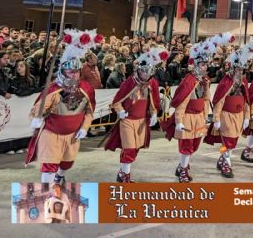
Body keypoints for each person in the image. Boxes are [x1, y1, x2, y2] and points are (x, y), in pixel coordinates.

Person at [26, 29, 98, 185]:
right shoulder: (54, 88)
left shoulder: (86, 89)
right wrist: (36, 118)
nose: (74, 75)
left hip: (72, 134)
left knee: (67, 163)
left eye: (76, 72)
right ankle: (47, 190)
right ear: (63, 72)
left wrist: (85, 127)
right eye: (70, 72)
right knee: (49, 164)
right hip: (52, 132)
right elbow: (40, 107)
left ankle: (60, 176)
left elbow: (89, 111)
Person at [162, 37, 218, 182]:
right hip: (187, 117)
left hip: (199, 117)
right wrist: (179, 120)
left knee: (195, 145)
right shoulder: (189, 80)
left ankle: (182, 167)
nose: (206, 67)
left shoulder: (204, 81)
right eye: (203, 64)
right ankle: (183, 171)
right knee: (186, 146)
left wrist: (205, 115)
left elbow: (206, 100)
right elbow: (182, 101)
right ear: (196, 65)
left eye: (206, 64)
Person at [104, 49, 162, 182]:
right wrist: (120, 111)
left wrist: (154, 114)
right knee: (129, 149)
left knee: (136, 149)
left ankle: (122, 172)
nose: (146, 75)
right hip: (128, 120)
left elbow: (154, 102)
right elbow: (116, 101)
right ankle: (126, 178)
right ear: (138, 70)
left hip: (142, 121)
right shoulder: (129, 83)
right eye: (144, 71)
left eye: (149, 72)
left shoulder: (152, 84)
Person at [205, 41, 253, 178]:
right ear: (233, 69)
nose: (240, 72)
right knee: (228, 141)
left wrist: (247, 117)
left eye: (242, 70)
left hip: (238, 116)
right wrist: (216, 119)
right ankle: (227, 163)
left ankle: (222, 158)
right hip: (226, 115)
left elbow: (246, 101)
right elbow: (219, 101)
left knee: (231, 142)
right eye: (238, 69)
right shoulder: (226, 82)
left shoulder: (243, 82)